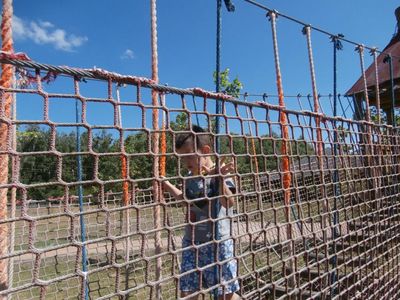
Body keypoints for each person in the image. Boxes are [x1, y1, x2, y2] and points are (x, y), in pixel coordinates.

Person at [162, 125, 240, 300]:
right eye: (182, 158)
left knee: (225, 293)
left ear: (205, 150)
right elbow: (185, 199)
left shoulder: (221, 172)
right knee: (188, 290)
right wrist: (166, 184)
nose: (186, 162)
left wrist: (218, 179)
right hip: (192, 241)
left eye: (190, 156)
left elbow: (228, 202)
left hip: (217, 241)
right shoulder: (190, 176)